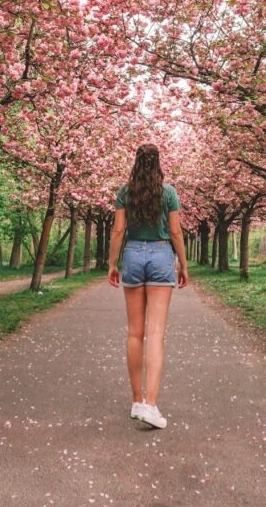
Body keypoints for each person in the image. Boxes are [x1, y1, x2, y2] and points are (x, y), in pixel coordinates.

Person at [107, 143, 188, 430]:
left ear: (136, 163)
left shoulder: (124, 192)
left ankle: (136, 400)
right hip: (160, 254)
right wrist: (183, 264)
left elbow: (118, 230)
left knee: (134, 333)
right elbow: (176, 230)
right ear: (158, 164)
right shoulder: (168, 193)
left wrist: (112, 263)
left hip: (131, 255)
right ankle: (150, 405)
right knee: (155, 334)